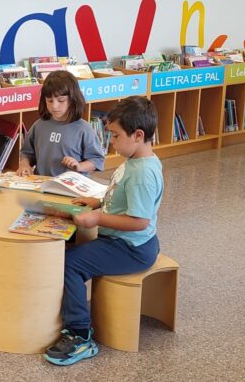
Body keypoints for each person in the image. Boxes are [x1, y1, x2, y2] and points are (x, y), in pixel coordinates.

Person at [44, 96, 163, 366]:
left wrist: (98, 217)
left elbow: (139, 221)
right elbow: (123, 199)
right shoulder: (135, 160)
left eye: (115, 136)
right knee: (72, 252)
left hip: (131, 248)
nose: (111, 142)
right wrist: (97, 202)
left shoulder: (142, 173)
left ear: (138, 135)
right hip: (129, 242)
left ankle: (80, 335)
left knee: (70, 264)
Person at [18, 71, 105, 177]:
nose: (54, 106)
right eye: (49, 101)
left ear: (73, 99)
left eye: (61, 100)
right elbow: (26, 153)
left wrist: (80, 166)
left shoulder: (84, 129)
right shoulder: (38, 126)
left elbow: (97, 159)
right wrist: (24, 165)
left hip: (71, 184)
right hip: (42, 183)